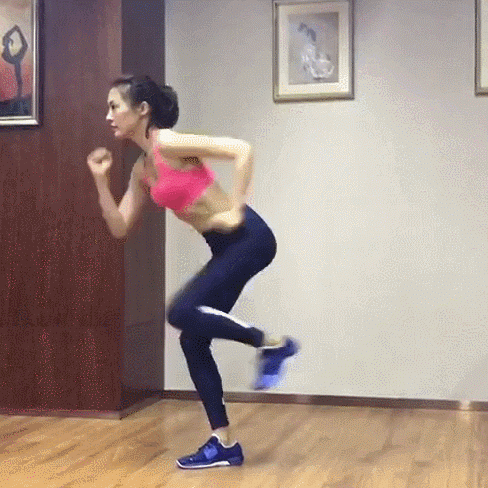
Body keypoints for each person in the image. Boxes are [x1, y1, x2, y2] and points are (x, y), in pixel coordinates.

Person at [87, 75, 299, 469]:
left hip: (249, 238)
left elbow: (241, 150)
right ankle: (224, 442)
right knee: (193, 341)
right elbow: (119, 227)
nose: (108, 116)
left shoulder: (168, 142)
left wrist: (236, 208)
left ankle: (270, 343)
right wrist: (101, 182)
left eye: (115, 106)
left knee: (180, 310)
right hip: (225, 247)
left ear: (142, 110)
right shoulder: (141, 169)